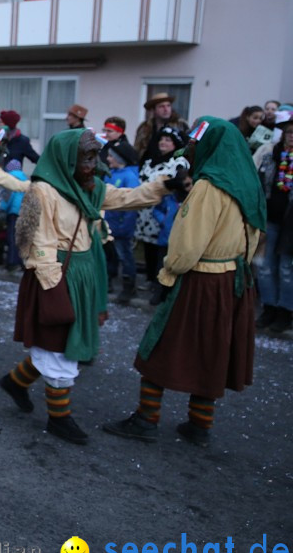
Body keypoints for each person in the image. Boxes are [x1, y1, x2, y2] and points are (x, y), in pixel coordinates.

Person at [0, 129, 177, 445]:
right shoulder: (43, 192)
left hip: (80, 271)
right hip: (54, 273)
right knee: (56, 344)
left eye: (95, 157)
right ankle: (59, 418)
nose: (94, 164)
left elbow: (125, 197)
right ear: (69, 159)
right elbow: (36, 243)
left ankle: (16, 382)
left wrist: (164, 186)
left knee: (64, 342)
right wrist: (54, 288)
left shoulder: (88, 188)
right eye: (87, 157)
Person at [104, 118, 263, 447]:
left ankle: (147, 419)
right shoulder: (248, 183)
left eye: (196, 145)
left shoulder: (209, 186)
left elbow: (189, 245)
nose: (191, 150)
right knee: (212, 351)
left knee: (160, 344)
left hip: (201, 279)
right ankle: (199, 424)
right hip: (233, 281)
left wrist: (168, 274)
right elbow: (256, 237)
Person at [135, 127, 190, 305]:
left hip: (166, 211)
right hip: (145, 211)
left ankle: (162, 286)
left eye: (168, 140)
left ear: (175, 144)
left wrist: (162, 187)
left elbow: (179, 182)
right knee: (149, 248)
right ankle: (152, 280)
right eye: (161, 139)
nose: (163, 143)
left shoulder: (178, 161)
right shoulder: (150, 159)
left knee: (163, 252)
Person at [252, 114, 293, 332]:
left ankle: (285, 312)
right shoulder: (270, 154)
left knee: (286, 267)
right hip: (269, 218)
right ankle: (269, 308)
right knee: (265, 266)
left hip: (291, 224)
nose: (292, 136)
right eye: (289, 132)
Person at [103, 144, 141, 305]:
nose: (108, 158)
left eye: (111, 156)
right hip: (108, 224)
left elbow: (132, 203)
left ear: (119, 159)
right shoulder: (109, 174)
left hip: (122, 226)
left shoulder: (130, 177)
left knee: (124, 255)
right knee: (110, 255)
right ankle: (108, 281)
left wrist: (124, 226)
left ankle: (129, 285)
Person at [134, 93, 190, 163]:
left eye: (168, 106)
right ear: (153, 110)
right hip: (147, 167)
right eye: (161, 106)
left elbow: (188, 148)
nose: (166, 109)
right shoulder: (144, 128)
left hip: (173, 166)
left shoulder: (181, 125)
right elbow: (138, 150)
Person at [0, 159, 28, 272]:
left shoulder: (9, 179)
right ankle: (22, 262)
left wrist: (3, 209)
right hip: (24, 212)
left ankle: (12, 262)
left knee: (12, 237)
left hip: (13, 212)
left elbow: (7, 198)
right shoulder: (25, 179)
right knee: (21, 238)